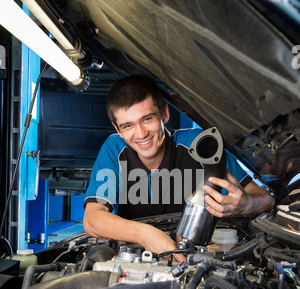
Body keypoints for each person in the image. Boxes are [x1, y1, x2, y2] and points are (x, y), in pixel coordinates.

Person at [83, 75, 274, 262]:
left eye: (147, 119)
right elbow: (92, 219)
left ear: (164, 114)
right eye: (127, 125)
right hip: (134, 261)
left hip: (200, 258)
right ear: (117, 129)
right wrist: (146, 235)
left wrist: (247, 203)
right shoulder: (114, 150)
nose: (140, 134)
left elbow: (266, 198)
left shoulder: (199, 144)